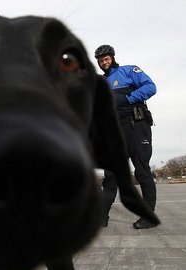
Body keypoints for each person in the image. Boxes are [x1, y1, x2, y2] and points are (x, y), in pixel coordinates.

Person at [94, 45, 157, 229]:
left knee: (142, 171)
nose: (104, 62)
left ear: (112, 58)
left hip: (135, 127)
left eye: (106, 58)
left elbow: (150, 87)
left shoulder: (129, 71)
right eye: (101, 60)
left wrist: (128, 99)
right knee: (110, 177)